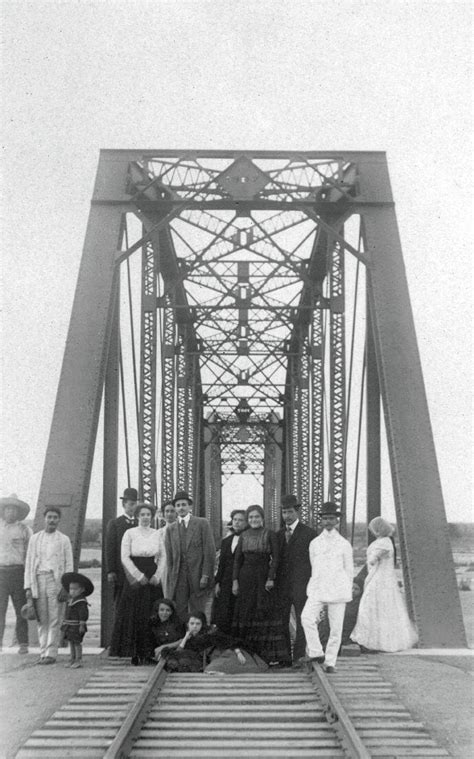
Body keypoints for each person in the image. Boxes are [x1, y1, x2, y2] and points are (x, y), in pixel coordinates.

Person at [232, 504, 290, 666]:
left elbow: (276, 558)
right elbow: (237, 560)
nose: (253, 520)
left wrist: (271, 577)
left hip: (263, 576)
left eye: (256, 517)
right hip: (246, 577)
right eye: (250, 517)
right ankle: (248, 653)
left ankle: (267, 655)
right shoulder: (244, 535)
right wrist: (235, 581)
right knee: (246, 612)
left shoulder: (270, 534)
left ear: (262, 518)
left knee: (264, 611)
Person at [352, 517, 418, 652]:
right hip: (383, 579)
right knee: (383, 609)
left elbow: (373, 559)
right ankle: (380, 641)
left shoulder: (383, 543)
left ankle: (372, 641)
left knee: (369, 607)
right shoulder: (386, 542)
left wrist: (372, 559)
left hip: (379, 579)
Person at [301, 501, 353, 673]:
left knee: (336, 629)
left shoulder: (344, 544)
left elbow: (349, 569)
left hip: (338, 589)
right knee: (306, 618)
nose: (328, 522)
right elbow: (312, 565)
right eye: (325, 518)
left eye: (331, 518)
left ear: (337, 521)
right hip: (318, 588)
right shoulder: (314, 543)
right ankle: (316, 652)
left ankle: (330, 662)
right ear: (321, 521)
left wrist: (346, 587)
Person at [109, 502, 164, 664]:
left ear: (152, 516)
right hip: (135, 574)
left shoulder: (157, 534)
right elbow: (124, 556)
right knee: (133, 614)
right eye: (142, 515)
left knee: (150, 613)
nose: (146, 517)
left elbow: (163, 557)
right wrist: (138, 576)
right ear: (137, 516)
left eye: (148, 514)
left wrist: (157, 575)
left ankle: (149, 652)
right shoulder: (130, 533)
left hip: (152, 573)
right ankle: (132, 652)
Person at [24, 507, 73, 664]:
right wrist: (28, 588)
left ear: (59, 520)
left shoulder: (64, 540)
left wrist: (66, 586)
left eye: (55, 517)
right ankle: (43, 651)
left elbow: (69, 565)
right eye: (49, 517)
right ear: (44, 518)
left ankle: (51, 653)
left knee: (54, 617)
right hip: (38, 579)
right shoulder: (35, 539)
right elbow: (29, 563)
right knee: (41, 618)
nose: (52, 520)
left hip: (55, 581)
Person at [275, 494, 317, 664]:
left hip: (302, 585)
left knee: (302, 620)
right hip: (283, 586)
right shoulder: (278, 535)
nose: (287, 516)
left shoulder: (309, 534)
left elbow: (314, 561)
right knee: (282, 621)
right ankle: (285, 657)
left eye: (290, 512)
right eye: (284, 512)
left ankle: (299, 655)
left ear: (297, 512)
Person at [165, 491, 216, 623]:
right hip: (179, 577)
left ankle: (198, 639)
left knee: (198, 611)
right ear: (175, 508)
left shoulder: (201, 523)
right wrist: (171, 579)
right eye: (178, 505)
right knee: (179, 610)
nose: (181, 508)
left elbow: (209, 552)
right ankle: (182, 639)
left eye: (184, 504)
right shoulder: (170, 529)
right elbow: (170, 558)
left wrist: (205, 575)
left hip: (198, 575)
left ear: (190, 507)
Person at [155, 611, 249, 673]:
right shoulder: (188, 636)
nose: (195, 626)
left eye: (198, 624)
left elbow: (228, 641)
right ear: (188, 625)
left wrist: (238, 652)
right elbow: (180, 650)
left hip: (220, 656)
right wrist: (185, 638)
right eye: (192, 624)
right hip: (202, 659)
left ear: (202, 624)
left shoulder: (210, 633)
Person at [0, 494, 32, 654]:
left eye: (14, 509)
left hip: (18, 572)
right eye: (8, 509)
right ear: (3, 511)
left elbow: (30, 554)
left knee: (21, 609)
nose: (10, 512)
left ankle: (23, 643)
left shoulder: (25, 530)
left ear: (18, 512)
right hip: (1, 573)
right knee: (0, 609)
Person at [211, 509, 247, 633]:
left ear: (246, 522)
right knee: (225, 611)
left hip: (242, 580)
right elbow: (222, 564)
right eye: (235, 519)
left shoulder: (249, 539)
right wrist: (217, 583)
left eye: (241, 520)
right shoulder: (226, 541)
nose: (237, 523)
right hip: (226, 581)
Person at [105, 487, 138, 607]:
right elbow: (110, 548)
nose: (133, 507)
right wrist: (111, 570)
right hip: (121, 570)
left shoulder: (140, 523)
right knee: (121, 602)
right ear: (124, 504)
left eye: (135, 504)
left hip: (138, 569)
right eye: (131, 504)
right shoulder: (115, 523)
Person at [60, 571, 94, 668]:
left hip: (77, 626)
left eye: (75, 589)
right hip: (69, 625)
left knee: (77, 643)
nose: (72, 591)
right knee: (71, 642)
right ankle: (72, 658)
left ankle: (78, 660)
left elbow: (83, 614)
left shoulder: (81, 601)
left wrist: (82, 625)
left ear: (82, 590)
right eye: (70, 589)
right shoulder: (71, 600)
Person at [155, 501, 177, 597]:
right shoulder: (159, 533)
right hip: (165, 569)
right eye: (167, 511)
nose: (169, 514)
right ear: (163, 514)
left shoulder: (183, 530)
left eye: (172, 511)